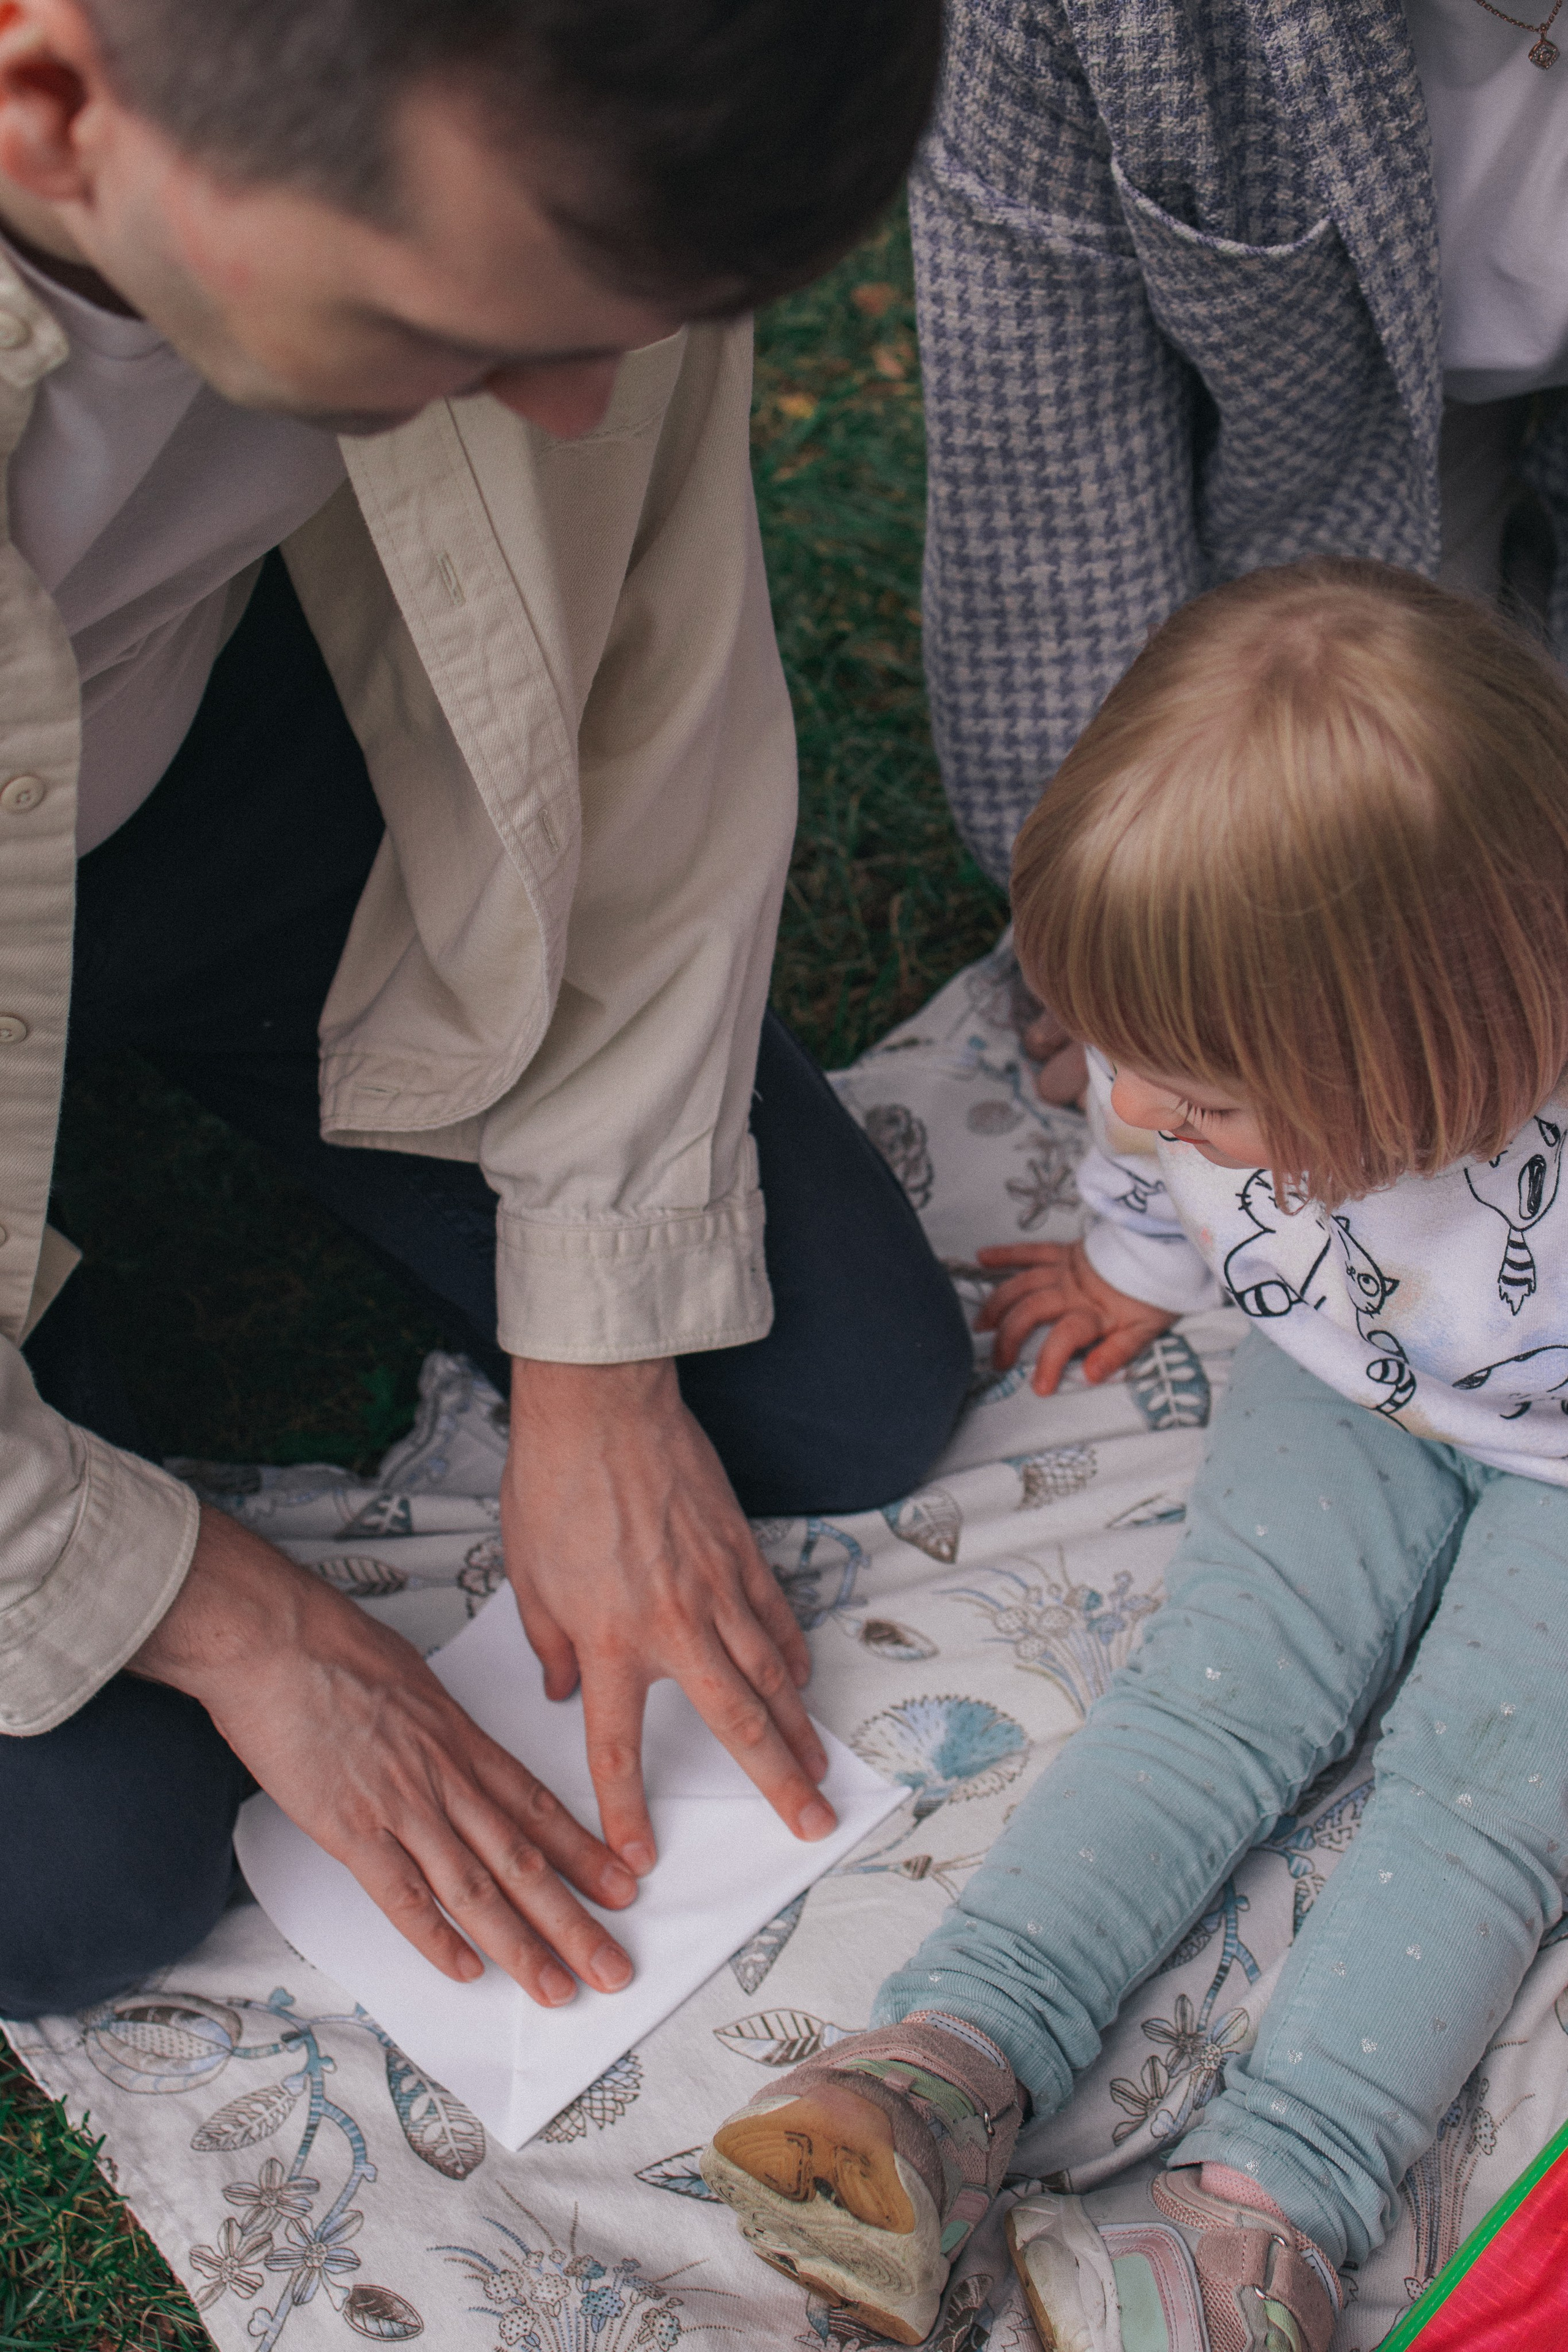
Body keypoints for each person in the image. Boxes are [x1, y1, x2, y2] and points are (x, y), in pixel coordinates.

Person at [0, 0, 970, 2023]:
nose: (569, 407)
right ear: (53, 105)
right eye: (455, 331)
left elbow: (644, 675)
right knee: (84, 1874)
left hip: (213, 770)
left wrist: (602, 1357)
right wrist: (225, 1616)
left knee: (837, 1383)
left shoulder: (572, 103)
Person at [699, 559, 1568, 2350]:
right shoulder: (1183, 1053)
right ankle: (952, 2061)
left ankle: (1266, 2212)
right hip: (1342, 1381)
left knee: (1480, 1803)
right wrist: (1127, 1263)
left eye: (1206, 1093)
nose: (1143, 1103)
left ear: (1438, 1055)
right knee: (1209, 1702)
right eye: (1127, 1054)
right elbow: (1141, 1150)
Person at [910, 0, 1568, 1107]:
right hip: (1334, 438)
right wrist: (1139, 935)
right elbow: (1047, 472)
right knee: (1373, 835)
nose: (1139, 1110)